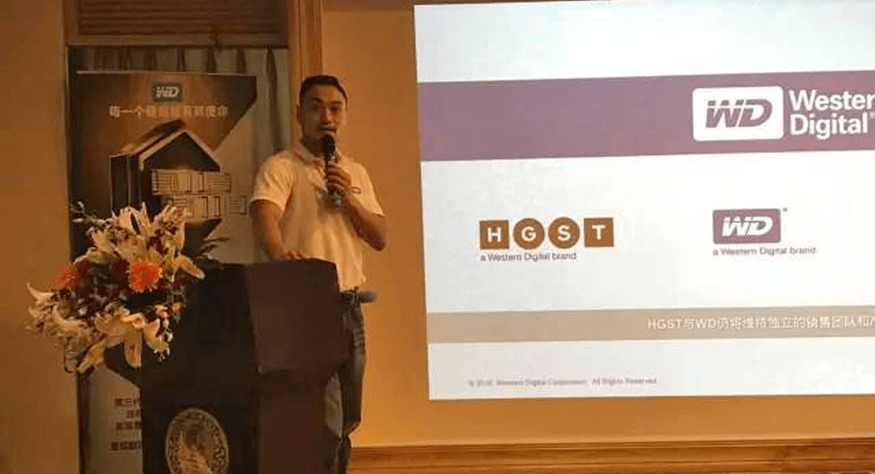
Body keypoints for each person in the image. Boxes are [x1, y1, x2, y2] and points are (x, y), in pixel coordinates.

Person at [249, 75, 387, 473]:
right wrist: (279, 253)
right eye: (316, 106)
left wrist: (350, 199)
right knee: (322, 418)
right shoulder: (281, 167)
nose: (326, 116)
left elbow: (380, 236)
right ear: (299, 114)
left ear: (344, 115)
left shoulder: (354, 172)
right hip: (305, 308)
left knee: (348, 416)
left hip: (349, 306)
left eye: (335, 108)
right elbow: (264, 218)